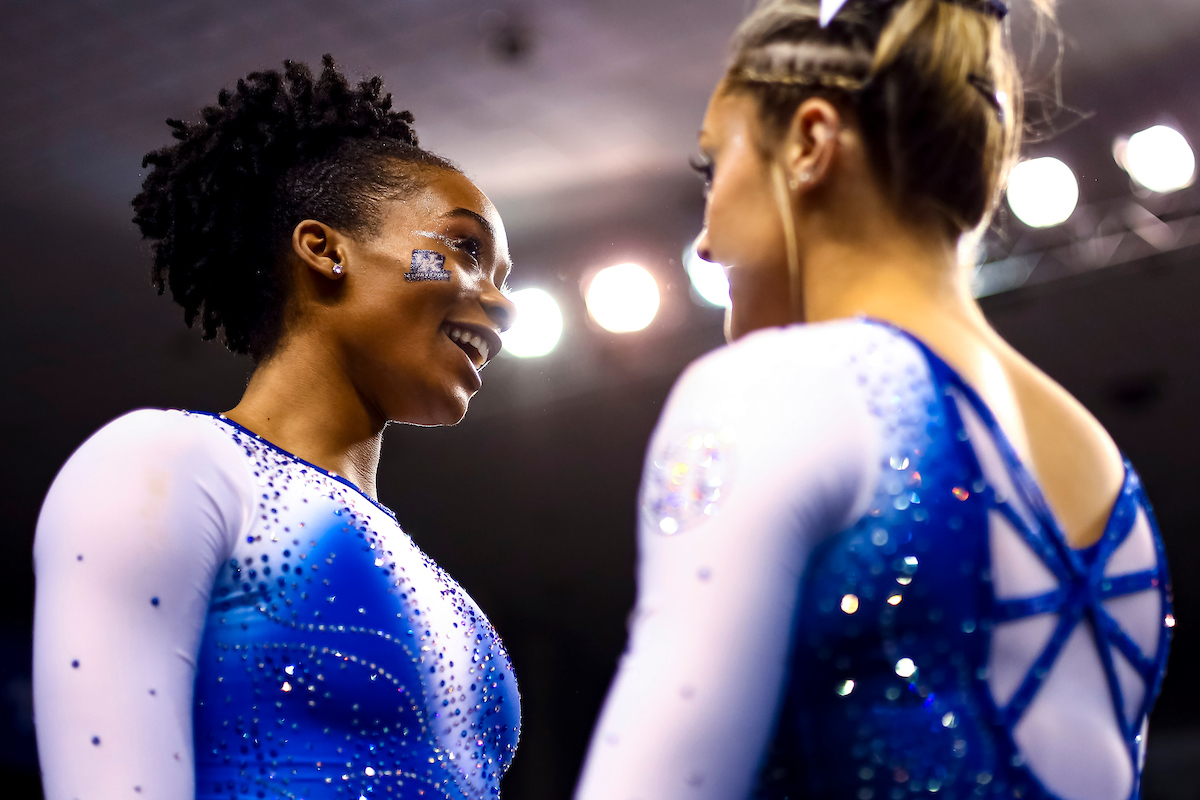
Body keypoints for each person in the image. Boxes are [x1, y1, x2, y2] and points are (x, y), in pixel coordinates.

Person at [574, 1, 1172, 799]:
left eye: (712, 167)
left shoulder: (778, 384)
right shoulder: (1109, 473)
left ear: (810, 143)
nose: (706, 241)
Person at [32, 56, 520, 800]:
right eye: (465, 250)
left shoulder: (446, 592)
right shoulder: (169, 464)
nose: (502, 302)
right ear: (325, 250)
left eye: (504, 278)